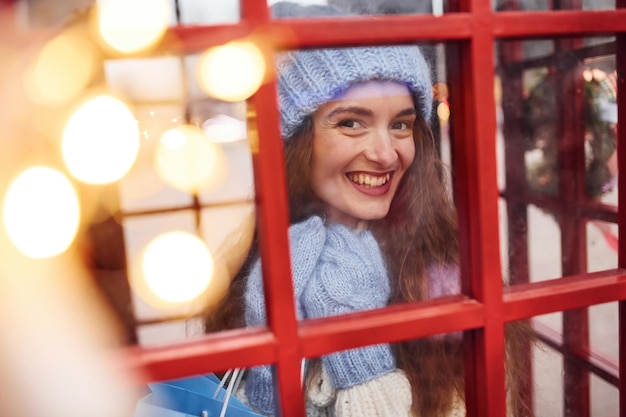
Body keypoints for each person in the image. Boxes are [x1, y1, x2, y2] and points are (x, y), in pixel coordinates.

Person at [205, 3, 533, 416]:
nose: (385, 154)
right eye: (350, 123)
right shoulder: (255, 272)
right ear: (296, 141)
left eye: (401, 124)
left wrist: (363, 360)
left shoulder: (446, 268)